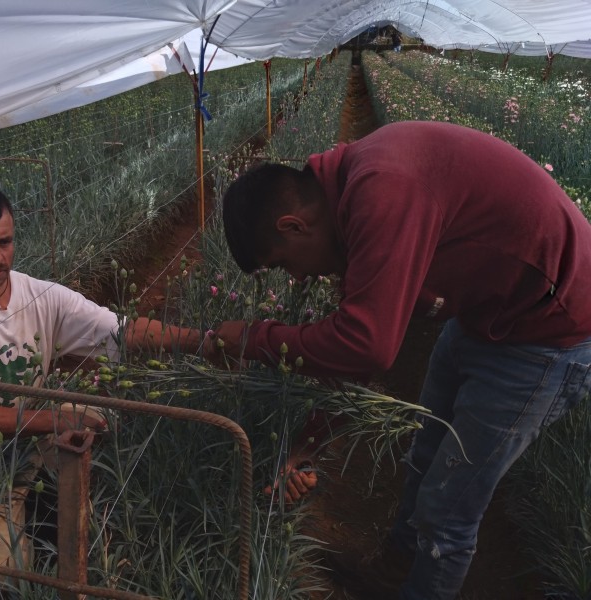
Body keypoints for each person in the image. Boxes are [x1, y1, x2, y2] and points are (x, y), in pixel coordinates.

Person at [211, 120, 591, 600]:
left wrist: (252, 338)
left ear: (293, 225)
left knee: (447, 512)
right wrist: (308, 446)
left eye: (285, 264)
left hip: (547, 332)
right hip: (486, 314)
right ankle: (393, 573)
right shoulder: (353, 197)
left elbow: (368, 344)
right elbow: (356, 355)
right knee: (425, 456)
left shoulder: (383, 189)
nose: (299, 278)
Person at [0, 179, 200, 594]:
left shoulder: (39, 295)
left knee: (109, 427)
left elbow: (122, 332)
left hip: (34, 436)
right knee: (9, 581)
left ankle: (93, 525)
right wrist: (58, 417)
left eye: (4, 242)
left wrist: (201, 342)